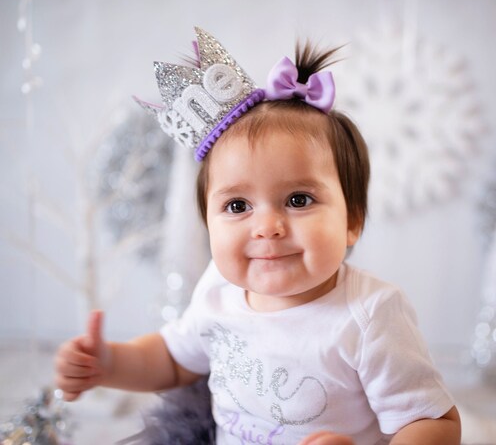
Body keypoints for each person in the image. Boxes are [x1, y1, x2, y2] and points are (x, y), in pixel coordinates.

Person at [55, 27, 461, 445]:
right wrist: (109, 363)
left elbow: (434, 423)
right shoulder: (217, 290)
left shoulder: (370, 314)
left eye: (299, 200)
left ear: (352, 219)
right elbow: (174, 362)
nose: (267, 227)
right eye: (237, 206)